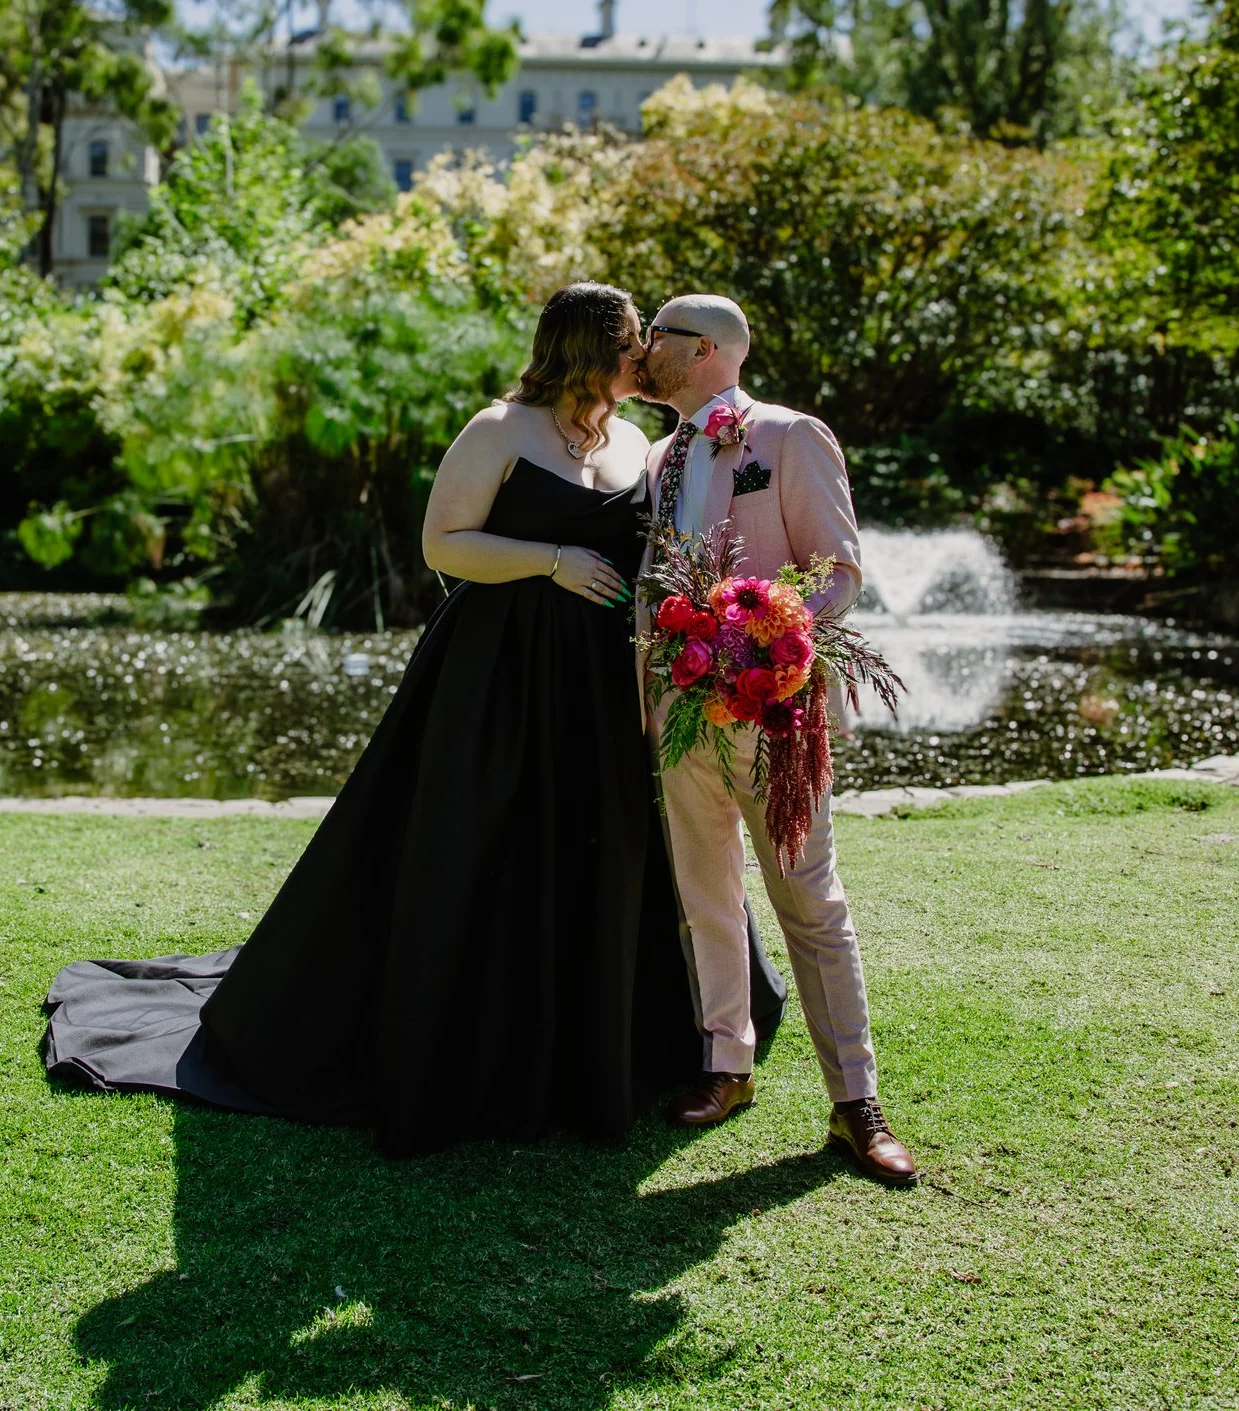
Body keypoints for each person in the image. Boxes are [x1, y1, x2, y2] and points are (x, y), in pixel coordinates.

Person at [40, 283, 780, 1157]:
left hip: (597, 682)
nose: (643, 358)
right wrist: (548, 560)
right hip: (495, 675)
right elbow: (443, 544)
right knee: (476, 842)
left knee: (594, 847)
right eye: (629, 345)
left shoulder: (641, 443)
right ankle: (466, 1043)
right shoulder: (499, 430)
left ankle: (601, 1044)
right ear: (587, 350)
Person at [635, 293, 919, 1187]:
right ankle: (728, 1065)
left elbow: (837, 571)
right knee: (704, 896)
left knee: (809, 900)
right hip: (676, 719)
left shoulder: (791, 437)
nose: (644, 354)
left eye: (659, 341)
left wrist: (769, 646)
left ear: (707, 350)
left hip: (775, 714)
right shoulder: (655, 457)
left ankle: (855, 1101)